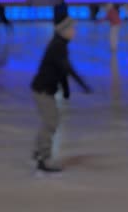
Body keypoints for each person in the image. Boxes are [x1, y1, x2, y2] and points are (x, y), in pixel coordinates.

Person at [31, 11, 92, 173]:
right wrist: (82, 85)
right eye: (72, 28)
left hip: (45, 88)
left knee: (51, 120)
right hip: (43, 89)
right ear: (64, 30)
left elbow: (62, 70)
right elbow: (67, 69)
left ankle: (39, 151)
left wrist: (66, 90)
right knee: (51, 122)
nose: (75, 31)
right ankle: (43, 158)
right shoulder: (58, 46)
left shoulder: (60, 44)